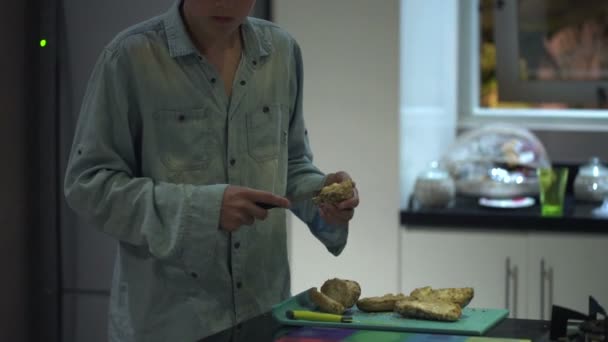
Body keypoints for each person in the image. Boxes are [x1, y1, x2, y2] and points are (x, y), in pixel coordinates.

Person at [63, 0, 359, 341]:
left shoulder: (281, 52)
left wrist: (326, 200)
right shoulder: (128, 57)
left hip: (263, 316)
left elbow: (290, 162)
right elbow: (88, 185)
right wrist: (204, 210)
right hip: (169, 324)